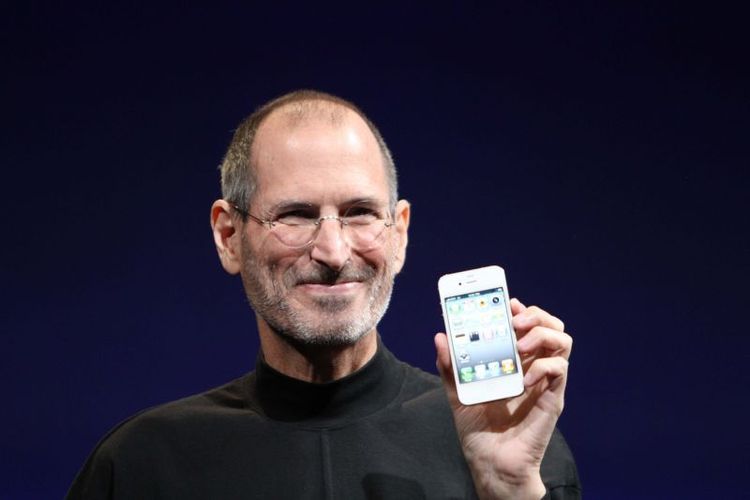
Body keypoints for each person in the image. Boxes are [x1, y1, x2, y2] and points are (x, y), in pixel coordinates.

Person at [67, 90, 580, 499]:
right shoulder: (142, 466)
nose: (334, 251)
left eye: (360, 212)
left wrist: (508, 491)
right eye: (295, 215)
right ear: (229, 237)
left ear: (398, 234)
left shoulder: (515, 448)